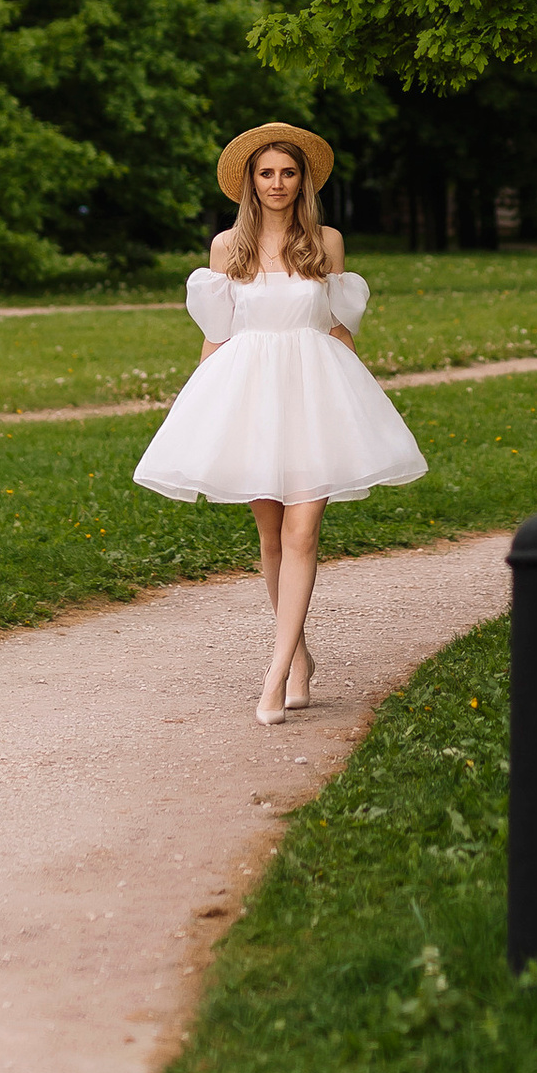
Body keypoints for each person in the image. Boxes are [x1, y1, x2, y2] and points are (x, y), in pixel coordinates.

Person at [133, 121, 427, 723]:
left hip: (314, 393)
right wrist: (197, 408)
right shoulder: (227, 249)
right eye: (266, 173)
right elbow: (218, 336)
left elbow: (339, 328)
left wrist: (358, 403)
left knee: (303, 534)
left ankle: (273, 674)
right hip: (252, 400)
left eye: (288, 172)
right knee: (271, 537)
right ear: (250, 181)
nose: (277, 183)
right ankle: (299, 658)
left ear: (304, 180)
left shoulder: (326, 242)